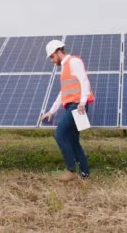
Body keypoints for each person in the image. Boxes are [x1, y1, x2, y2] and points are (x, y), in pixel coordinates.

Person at [40, 39, 95, 181]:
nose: (52, 60)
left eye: (52, 56)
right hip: (73, 106)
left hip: (78, 106)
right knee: (73, 141)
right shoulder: (64, 68)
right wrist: (51, 111)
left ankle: (71, 171)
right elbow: (62, 93)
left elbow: (84, 81)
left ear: (59, 52)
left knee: (59, 134)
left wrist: (82, 102)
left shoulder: (73, 62)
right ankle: (85, 175)